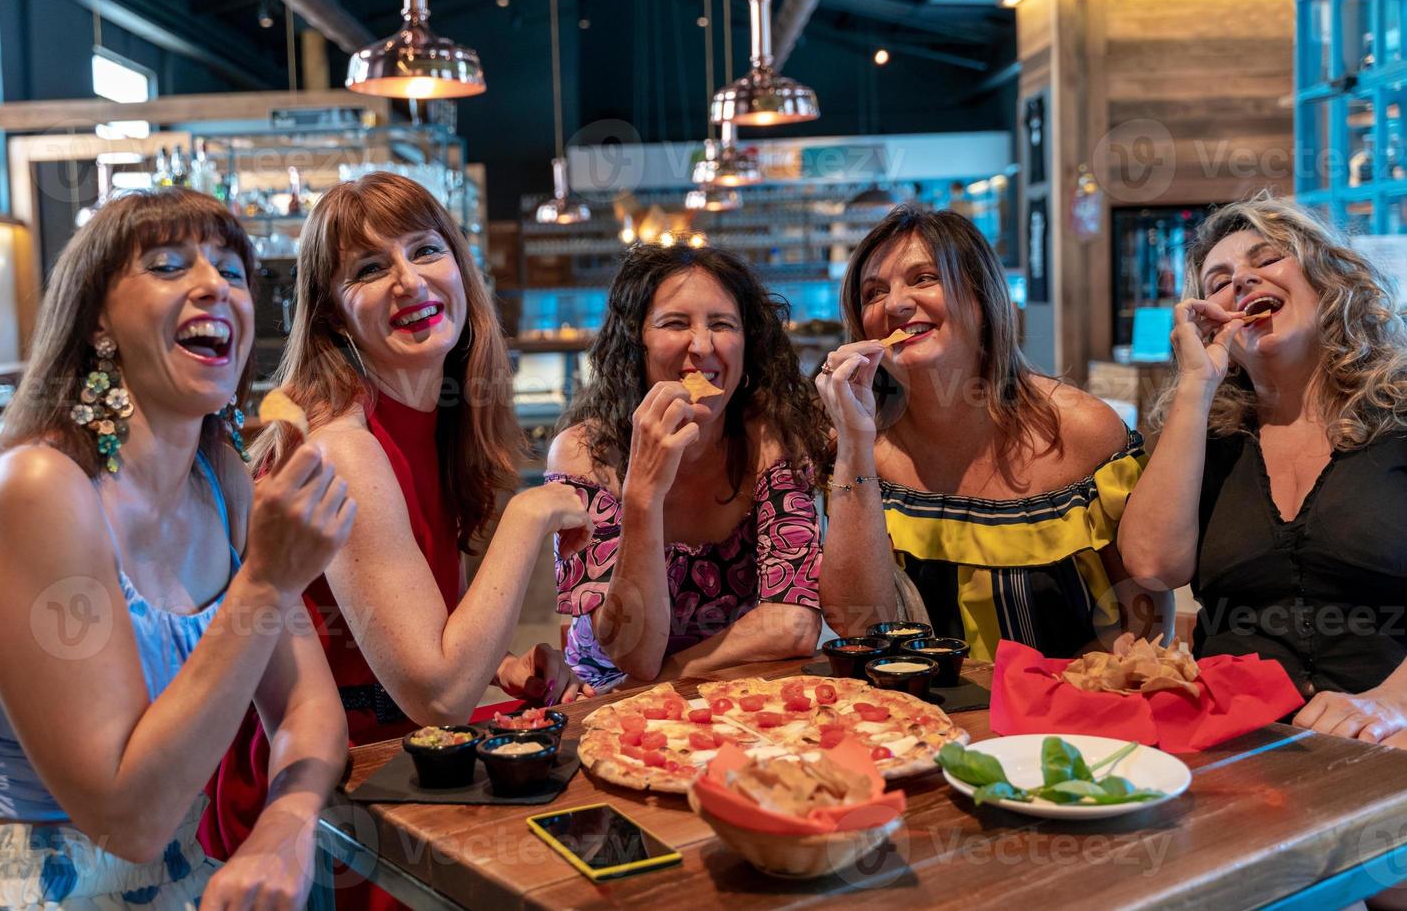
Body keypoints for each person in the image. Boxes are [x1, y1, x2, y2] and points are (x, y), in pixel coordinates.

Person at [0, 189, 353, 908]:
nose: (213, 286)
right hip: (21, 886)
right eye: (168, 266)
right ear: (98, 318)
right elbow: (126, 819)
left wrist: (284, 824)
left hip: (180, 876)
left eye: (231, 271)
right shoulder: (39, 490)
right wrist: (265, 581)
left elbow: (307, 709)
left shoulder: (221, 479)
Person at [203, 172, 593, 869]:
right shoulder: (345, 447)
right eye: (370, 269)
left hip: (394, 752)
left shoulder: (432, 420)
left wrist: (499, 666)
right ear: (331, 316)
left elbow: (387, 636)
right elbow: (439, 693)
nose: (409, 283)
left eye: (424, 251)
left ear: (460, 268)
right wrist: (530, 515)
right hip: (331, 797)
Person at [1118, 196, 1407, 749]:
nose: (1243, 281)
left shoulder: (1400, 411)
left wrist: (1392, 704)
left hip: (1383, 750)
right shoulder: (1208, 439)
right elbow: (1153, 565)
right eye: (1219, 280)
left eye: (1268, 259)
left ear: (1328, 281)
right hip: (1233, 751)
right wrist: (1196, 385)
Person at [817, 206, 1162, 658]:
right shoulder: (856, 446)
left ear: (982, 299)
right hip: (923, 717)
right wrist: (856, 446)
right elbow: (860, 623)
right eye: (873, 292)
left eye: (924, 279)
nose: (895, 304)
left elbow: (1147, 607)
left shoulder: (1083, 429)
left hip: (1072, 714)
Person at [545, 242, 829, 691]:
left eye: (722, 324)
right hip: (597, 695)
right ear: (635, 343)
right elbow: (635, 653)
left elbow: (793, 626)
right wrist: (642, 495)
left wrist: (664, 680)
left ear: (748, 344)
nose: (702, 346)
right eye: (675, 323)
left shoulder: (772, 442)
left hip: (734, 686)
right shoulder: (585, 455)